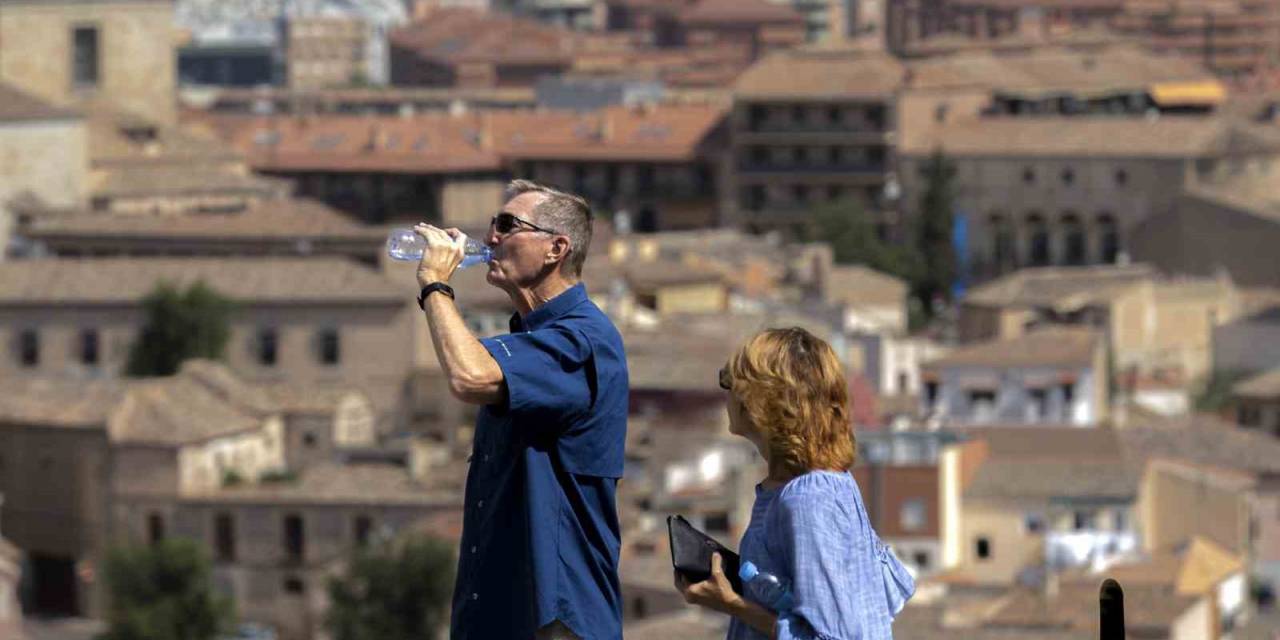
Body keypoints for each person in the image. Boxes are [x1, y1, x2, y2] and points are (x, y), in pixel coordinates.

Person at [413, 180, 628, 640]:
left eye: (508, 225)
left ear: (556, 248)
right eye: (494, 223)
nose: (491, 237)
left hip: (554, 618)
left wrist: (435, 285)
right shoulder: (530, 342)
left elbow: (469, 376)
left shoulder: (581, 340)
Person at [675, 328, 915, 639]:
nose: (726, 391)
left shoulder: (809, 500)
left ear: (762, 402)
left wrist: (732, 603)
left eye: (730, 380)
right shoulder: (808, 487)